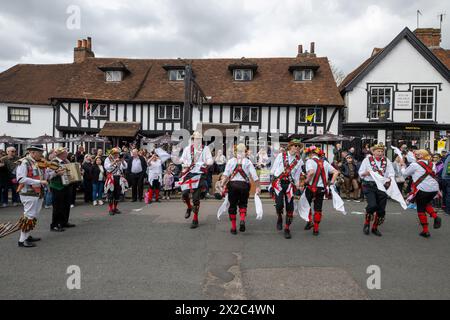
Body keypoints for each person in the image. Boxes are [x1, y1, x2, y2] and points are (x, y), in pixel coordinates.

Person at [398, 149, 442, 238]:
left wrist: (402, 166)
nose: (414, 155)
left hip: (423, 188)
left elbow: (405, 174)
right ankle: (434, 216)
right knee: (425, 204)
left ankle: (426, 230)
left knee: (421, 208)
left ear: (420, 156)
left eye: (416, 154)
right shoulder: (432, 164)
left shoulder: (415, 164)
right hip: (433, 189)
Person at [221, 143, 261, 235]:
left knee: (232, 206)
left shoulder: (231, 161)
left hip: (233, 185)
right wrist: (258, 187)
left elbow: (226, 175)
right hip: (244, 186)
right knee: (243, 204)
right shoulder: (248, 162)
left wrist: (222, 184)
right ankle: (242, 219)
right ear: (245, 153)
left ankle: (234, 228)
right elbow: (254, 176)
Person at [15, 145, 49, 247]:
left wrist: (55, 173)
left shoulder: (36, 162)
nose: (42, 154)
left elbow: (42, 176)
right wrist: (39, 181)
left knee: (34, 215)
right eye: (40, 152)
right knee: (29, 216)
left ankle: (27, 236)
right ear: (33, 152)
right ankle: (22, 240)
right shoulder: (24, 162)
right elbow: (20, 179)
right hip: (28, 193)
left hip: (37, 192)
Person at [358, 144, 395, 236]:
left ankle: (375, 227)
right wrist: (365, 173)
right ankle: (367, 223)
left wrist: (390, 177)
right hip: (369, 185)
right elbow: (360, 173)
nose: (380, 153)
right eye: (378, 151)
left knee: (381, 209)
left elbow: (391, 172)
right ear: (373, 152)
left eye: (382, 151)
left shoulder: (387, 161)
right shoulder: (367, 160)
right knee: (372, 205)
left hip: (382, 187)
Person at [179, 131, 213, 229]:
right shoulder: (187, 149)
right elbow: (181, 159)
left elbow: (210, 159)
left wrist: (207, 162)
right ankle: (189, 207)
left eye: (199, 139)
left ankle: (195, 219)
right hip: (189, 173)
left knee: (196, 198)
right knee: (184, 193)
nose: (198, 141)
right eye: (196, 139)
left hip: (199, 174)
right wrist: (185, 162)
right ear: (193, 140)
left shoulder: (205, 149)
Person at [270, 139, 303, 239]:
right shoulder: (281, 155)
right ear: (290, 146)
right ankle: (279, 217)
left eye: (298, 146)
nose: (297, 148)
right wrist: (271, 184)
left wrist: (298, 186)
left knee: (290, 208)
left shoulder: (299, 161)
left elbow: (297, 176)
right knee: (279, 205)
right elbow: (273, 169)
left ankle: (287, 228)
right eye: (295, 145)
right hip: (279, 183)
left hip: (289, 185)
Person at [303, 146, 339, 235]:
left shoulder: (309, 161)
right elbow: (336, 172)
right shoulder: (325, 162)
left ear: (311, 154)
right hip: (321, 189)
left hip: (311, 188)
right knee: (318, 208)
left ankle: (309, 221)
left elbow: (311, 172)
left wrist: (306, 181)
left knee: (307, 205)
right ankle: (316, 229)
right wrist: (331, 182)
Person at [48, 147, 75, 231]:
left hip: (67, 185)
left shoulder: (67, 161)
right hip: (57, 186)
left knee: (66, 205)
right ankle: (55, 224)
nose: (66, 154)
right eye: (65, 153)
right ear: (60, 154)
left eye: (66, 153)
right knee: (57, 207)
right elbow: (48, 175)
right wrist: (56, 173)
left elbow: (71, 171)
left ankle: (64, 222)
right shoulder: (54, 162)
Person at [104, 148, 128, 215]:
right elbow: (107, 167)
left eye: (117, 153)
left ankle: (115, 208)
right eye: (115, 153)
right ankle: (110, 209)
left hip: (118, 178)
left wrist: (122, 161)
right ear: (112, 153)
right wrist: (114, 162)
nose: (116, 155)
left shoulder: (120, 159)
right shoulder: (108, 159)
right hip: (111, 177)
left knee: (117, 194)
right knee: (111, 194)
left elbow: (125, 166)